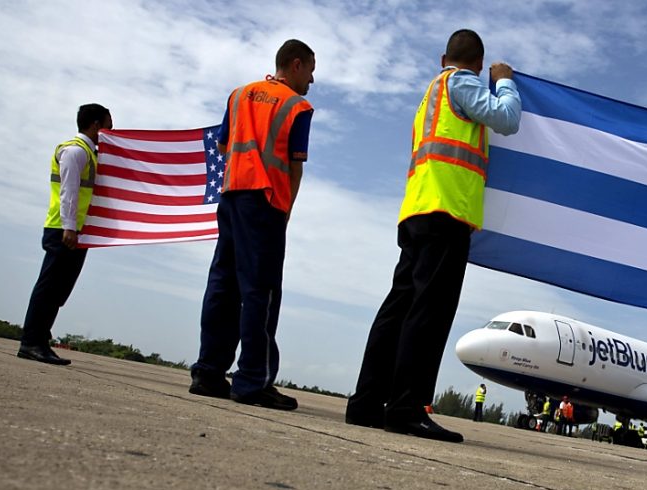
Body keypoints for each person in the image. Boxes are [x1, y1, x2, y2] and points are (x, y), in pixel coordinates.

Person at [344, 29, 521, 442]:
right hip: (446, 211)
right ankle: (406, 408)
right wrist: (506, 81)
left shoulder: (430, 95)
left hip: (417, 210)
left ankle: (366, 402)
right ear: (477, 63)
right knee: (430, 311)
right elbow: (507, 120)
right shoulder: (460, 83)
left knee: (398, 308)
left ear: (443, 56)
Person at [188, 39, 316, 411]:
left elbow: (223, 145)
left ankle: (208, 372)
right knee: (260, 291)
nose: (311, 80)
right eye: (310, 70)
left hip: (231, 194)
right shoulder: (298, 106)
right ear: (295, 65)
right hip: (266, 202)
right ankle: (251, 380)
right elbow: (295, 165)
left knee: (223, 283)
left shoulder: (239, 94)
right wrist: (286, 210)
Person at [18, 104, 113, 366]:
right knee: (49, 287)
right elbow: (69, 192)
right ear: (95, 125)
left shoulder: (91, 153)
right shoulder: (75, 151)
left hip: (77, 231)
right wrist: (70, 228)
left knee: (60, 290)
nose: (110, 132)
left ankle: (39, 338)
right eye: (108, 126)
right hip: (64, 229)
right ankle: (31, 342)